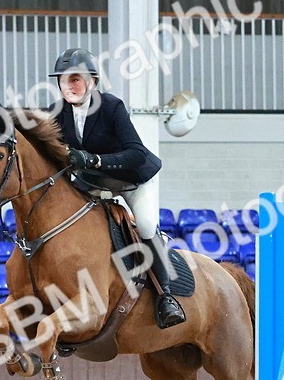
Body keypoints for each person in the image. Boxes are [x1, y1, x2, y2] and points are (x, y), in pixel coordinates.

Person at [46, 47, 184, 329]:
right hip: (94, 186)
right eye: (63, 80)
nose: (68, 86)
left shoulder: (111, 107)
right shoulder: (56, 112)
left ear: (92, 81)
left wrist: (95, 160)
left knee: (145, 224)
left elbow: (136, 152)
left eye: (75, 79)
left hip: (132, 180)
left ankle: (166, 297)